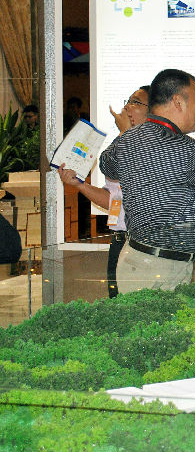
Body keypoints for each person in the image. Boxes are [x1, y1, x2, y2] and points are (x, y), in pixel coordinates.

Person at [99, 69, 195, 293]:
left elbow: (107, 166)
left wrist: (127, 135)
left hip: (133, 258)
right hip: (163, 268)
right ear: (178, 102)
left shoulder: (126, 141)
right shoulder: (187, 149)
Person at [57, 85, 150, 297]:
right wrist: (79, 184)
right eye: (127, 101)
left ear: (153, 110)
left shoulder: (159, 146)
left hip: (145, 242)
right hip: (120, 239)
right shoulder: (119, 144)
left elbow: (141, 178)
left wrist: (126, 133)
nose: (127, 107)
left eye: (135, 102)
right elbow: (112, 198)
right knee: (116, 303)